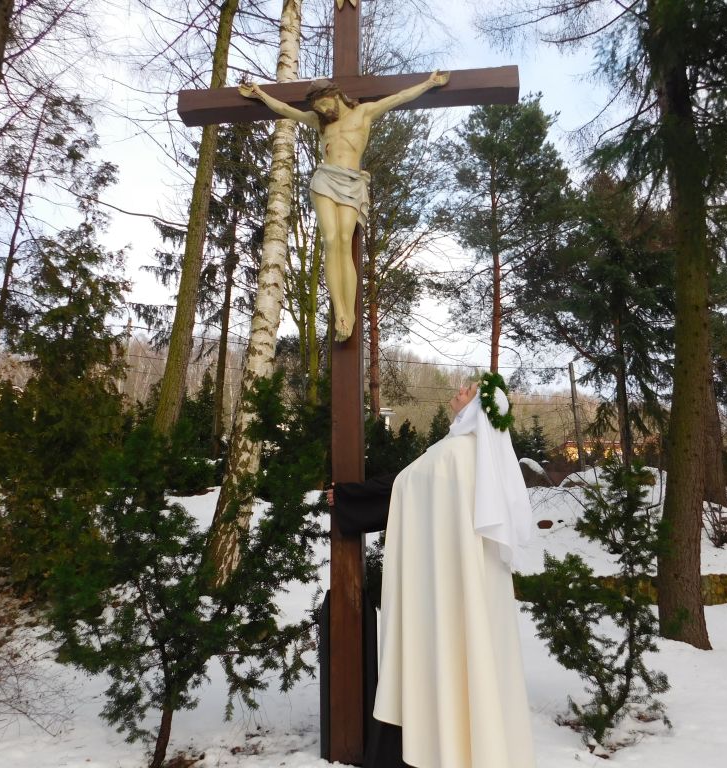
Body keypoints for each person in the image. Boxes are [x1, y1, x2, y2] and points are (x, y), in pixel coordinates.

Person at [331, 375, 537, 768]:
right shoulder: (485, 462)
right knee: (478, 657)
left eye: (468, 391)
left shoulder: (451, 455)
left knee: (447, 655)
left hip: (445, 592)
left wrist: (347, 498)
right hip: (477, 588)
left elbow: (403, 486)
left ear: (478, 408)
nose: (458, 392)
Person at [238, 71, 450, 342]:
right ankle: (339, 311)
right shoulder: (319, 121)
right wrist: (259, 93)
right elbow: (285, 109)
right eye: (318, 108)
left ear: (335, 94)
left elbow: (399, 97)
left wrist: (429, 83)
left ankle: (349, 314)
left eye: (325, 104)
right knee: (330, 240)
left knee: (343, 241)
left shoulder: (363, 113)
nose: (323, 111)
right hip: (325, 180)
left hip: (351, 183)